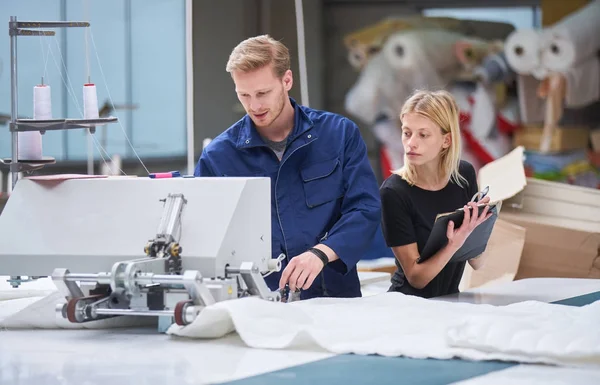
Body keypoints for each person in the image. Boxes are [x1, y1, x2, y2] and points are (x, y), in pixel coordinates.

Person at [194, 35, 388, 299]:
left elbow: (364, 209)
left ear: (287, 80)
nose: (254, 105)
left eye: (262, 93)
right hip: (257, 304)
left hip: (334, 298)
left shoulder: (339, 135)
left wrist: (322, 253)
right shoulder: (218, 157)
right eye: (244, 95)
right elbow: (204, 237)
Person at [379, 89, 492, 299]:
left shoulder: (464, 175)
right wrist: (454, 244)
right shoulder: (393, 192)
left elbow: (478, 263)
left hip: (449, 302)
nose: (411, 143)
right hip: (408, 306)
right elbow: (416, 278)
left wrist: (477, 228)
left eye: (423, 135)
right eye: (406, 132)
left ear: (446, 141)